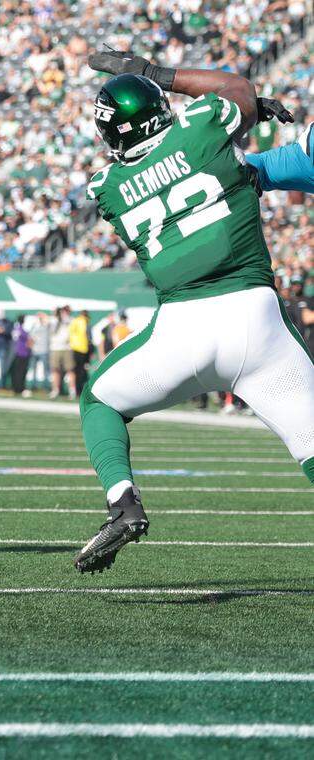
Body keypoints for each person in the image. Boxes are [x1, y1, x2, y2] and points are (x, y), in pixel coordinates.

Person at [74, 52, 314, 573]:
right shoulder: (203, 127)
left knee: (99, 400)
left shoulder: (105, 189)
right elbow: (237, 91)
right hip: (257, 320)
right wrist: (158, 73)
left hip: (181, 329)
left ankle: (123, 502)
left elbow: (179, 172)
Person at [49, 306, 73, 398]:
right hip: (55, 348)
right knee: (55, 370)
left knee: (70, 370)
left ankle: (72, 391)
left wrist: (64, 314)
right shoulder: (53, 320)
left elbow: (67, 322)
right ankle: (55, 390)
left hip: (67, 348)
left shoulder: (69, 320)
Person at [27, 311, 51, 392]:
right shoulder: (34, 326)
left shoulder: (46, 325)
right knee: (33, 369)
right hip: (35, 350)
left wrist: (43, 315)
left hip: (44, 350)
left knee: (46, 370)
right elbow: (30, 337)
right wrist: (30, 347)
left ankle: (46, 386)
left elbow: (48, 321)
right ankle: (33, 386)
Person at [69, 308, 90, 396]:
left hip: (74, 348)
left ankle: (77, 390)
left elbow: (70, 333)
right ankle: (81, 390)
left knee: (76, 370)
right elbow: (87, 335)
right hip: (83, 349)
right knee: (82, 371)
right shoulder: (85, 322)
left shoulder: (75, 321)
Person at [9, 315, 31, 396]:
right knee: (19, 372)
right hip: (21, 353)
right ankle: (18, 388)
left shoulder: (19, 329)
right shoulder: (19, 329)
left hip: (22, 353)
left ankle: (18, 388)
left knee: (20, 371)